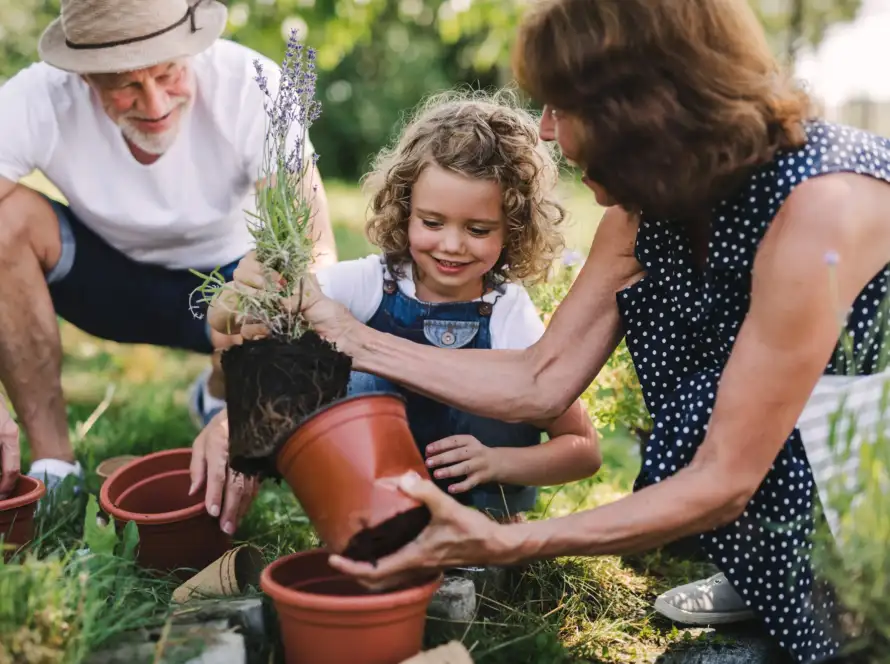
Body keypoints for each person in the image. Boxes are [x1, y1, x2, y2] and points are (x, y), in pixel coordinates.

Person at [281, 1, 889, 662]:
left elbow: (722, 478)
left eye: (562, 108)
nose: (544, 131)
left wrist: (510, 541)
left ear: (642, 108)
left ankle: (821, 596)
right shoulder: (648, 208)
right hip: (769, 487)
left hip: (861, 506)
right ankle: (764, 577)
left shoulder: (821, 212)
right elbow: (543, 378)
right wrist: (353, 339)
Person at [194, 93, 601, 533]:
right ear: (405, 212)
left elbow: (583, 448)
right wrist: (240, 292)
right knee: (347, 373)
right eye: (431, 222)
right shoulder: (373, 282)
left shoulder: (508, 313)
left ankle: (489, 533)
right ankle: (364, 518)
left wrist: (499, 462)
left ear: (514, 229)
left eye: (478, 229)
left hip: (478, 518)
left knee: (503, 386)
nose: (451, 244)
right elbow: (241, 319)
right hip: (375, 504)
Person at [0, 0, 336, 498]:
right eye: (126, 86)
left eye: (168, 74)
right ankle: (54, 468)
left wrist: (249, 402)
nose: (155, 104)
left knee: (279, 278)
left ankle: (219, 396)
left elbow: (314, 252)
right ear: (84, 77)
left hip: (228, 288)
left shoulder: (251, 84)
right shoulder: (39, 96)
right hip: (105, 283)